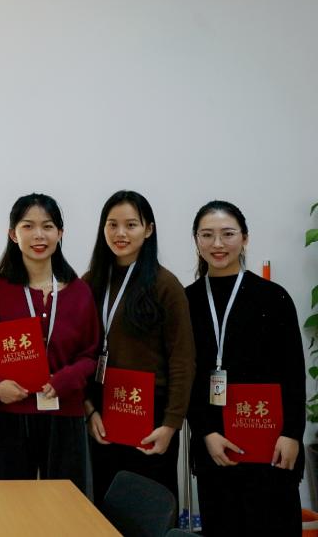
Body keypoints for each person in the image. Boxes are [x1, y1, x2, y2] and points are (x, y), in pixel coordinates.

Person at [185, 200, 304, 536]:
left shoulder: (274, 297)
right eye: (207, 235)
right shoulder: (186, 300)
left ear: (245, 238)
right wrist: (206, 432)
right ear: (196, 240)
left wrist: (292, 433)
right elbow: (185, 375)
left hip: (270, 441)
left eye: (228, 234)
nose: (218, 244)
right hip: (214, 442)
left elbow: (293, 371)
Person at [0, 192, 98, 490]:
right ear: (13, 234)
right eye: (28, 226)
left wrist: (67, 379)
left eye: (47, 226)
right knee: (10, 505)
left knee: (66, 505)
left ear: (60, 233)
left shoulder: (79, 292)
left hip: (65, 413)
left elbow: (91, 354)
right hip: (11, 416)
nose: (39, 235)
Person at [82, 190, 195, 503]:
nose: (120, 233)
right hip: (102, 412)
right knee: (102, 506)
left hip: (151, 416)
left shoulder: (165, 285)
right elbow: (77, 352)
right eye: (112, 224)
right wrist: (88, 410)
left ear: (148, 230)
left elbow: (182, 359)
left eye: (131, 225)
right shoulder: (90, 282)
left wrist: (171, 424)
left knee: (147, 509)